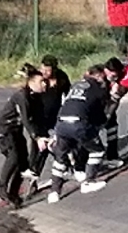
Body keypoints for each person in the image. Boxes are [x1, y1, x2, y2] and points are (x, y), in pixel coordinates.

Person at [47, 65, 110, 204]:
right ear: (99, 76)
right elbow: (99, 114)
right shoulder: (97, 89)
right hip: (79, 124)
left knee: (60, 157)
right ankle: (89, 182)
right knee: (97, 151)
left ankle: (54, 192)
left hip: (61, 123)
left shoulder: (76, 85)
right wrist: (100, 124)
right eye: (103, 77)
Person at [0, 65, 47, 208]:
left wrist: (46, 135)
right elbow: (26, 119)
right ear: (32, 82)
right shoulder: (21, 96)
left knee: (23, 163)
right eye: (41, 81)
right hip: (4, 131)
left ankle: (14, 194)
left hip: (16, 132)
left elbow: (38, 120)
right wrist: (37, 138)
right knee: (14, 157)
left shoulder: (36, 97)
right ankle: (2, 188)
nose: (45, 84)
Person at [23, 55, 71, 182]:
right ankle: (33, 174)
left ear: (54, 69)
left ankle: (64, 167)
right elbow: (27, 94)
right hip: (39, 117)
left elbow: (68, 95)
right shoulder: (38, 78)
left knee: (57, 144)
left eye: (47, 70)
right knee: (37, 147)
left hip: (54, 116)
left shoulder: (62, 78)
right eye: (43, 69)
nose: (44, 73)